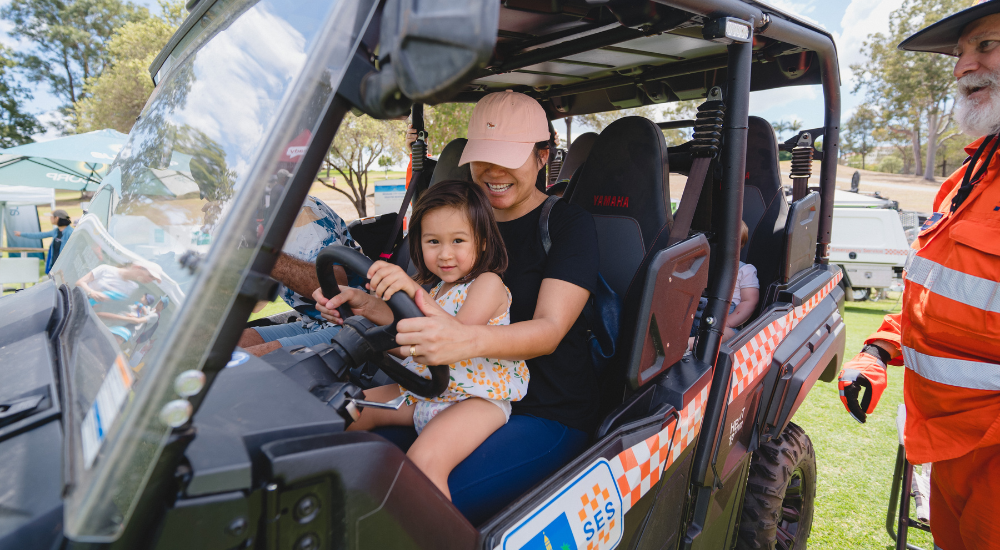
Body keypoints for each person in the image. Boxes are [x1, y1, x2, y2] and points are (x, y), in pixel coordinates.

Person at [315, 90, 599, 523]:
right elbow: (431, 321)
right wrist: (367, 306)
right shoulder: (453, 225)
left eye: (510, 156)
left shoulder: (566, 225)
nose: (493, 171)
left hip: (539, 408)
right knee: (339, 457)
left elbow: (548, 329)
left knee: (399, 504)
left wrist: (462, 338)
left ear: (544, 156)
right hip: (443, 391)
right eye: (484, 157)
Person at [837, 5, 1000, 549]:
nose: (963, 67)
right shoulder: (963, 181)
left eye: (987, 46)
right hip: (949, 450)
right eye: (960, 55)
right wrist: (880, 351)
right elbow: (934, 296)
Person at [345, 180, 529, 499]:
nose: (445, 254)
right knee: (352, 408)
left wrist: (410, 290)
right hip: (426, 391)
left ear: (483, 242)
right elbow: (406, 329)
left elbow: (455, 336)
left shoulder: (488, 284)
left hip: (476, 400)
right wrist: (358, 304)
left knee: (424, 464)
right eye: (433, 241)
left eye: (458, 240)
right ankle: (339, 487)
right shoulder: (433, 289)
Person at [237, 195, 364, 356]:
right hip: (312, 323)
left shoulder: (297, 211)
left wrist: (262, 255)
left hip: (351, 325)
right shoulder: (254, 221)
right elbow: (256, 305)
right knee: (223, 347)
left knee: (238, 364)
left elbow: (337, 286)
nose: (205, 197)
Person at [688, 221, 759, 349]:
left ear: (738, 246)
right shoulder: (698, 267)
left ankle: (690, 344)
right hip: (693, 316)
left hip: (724, 320)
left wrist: (728, 322)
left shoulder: (744, 270)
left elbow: (749, 301)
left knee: (723, 335)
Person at [15, 209, 74, 273]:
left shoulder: (71, 232)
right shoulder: (56, 231)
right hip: (54, 266)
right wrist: (21, 234)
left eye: (51, 217)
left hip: (64, 268)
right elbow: (40, 235)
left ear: (57, 218)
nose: (50, 218)